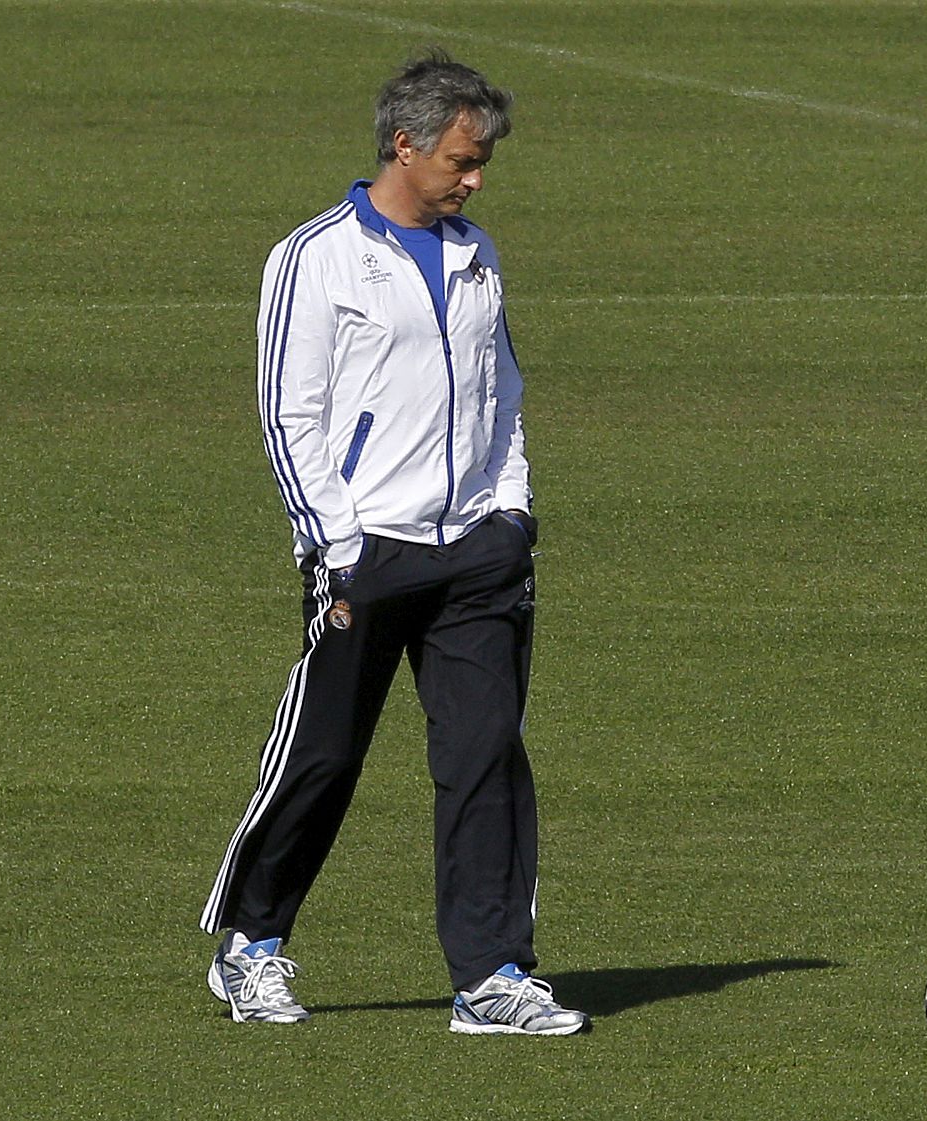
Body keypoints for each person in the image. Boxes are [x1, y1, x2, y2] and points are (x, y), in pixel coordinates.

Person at [198, 51, 588, 1036]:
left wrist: (512, 508)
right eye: (461, 158)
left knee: (483, 755)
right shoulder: (315, 257)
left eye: (483, 158)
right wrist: (333, 547)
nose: (476, 176)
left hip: (478, 553)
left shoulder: (475, 252)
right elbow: (290, 413)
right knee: (322, 756)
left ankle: (491, 973)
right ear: (403, 145)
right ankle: (252, 943)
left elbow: (502, 391)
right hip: (366, 555)